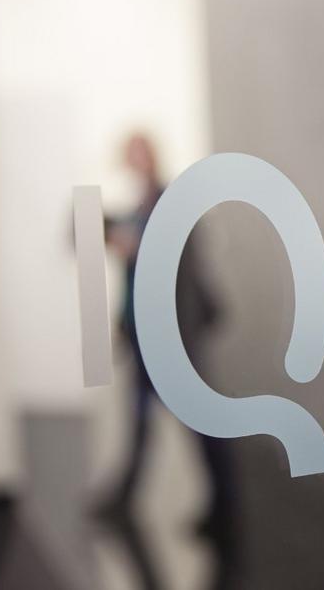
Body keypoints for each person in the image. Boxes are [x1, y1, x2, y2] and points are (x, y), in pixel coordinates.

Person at [93, 134, 241, 585]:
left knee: (201, 426)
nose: (134, 162)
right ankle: (128, 498)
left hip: (174, 338)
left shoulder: (169, 202)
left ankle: (225, 510)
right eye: (130, 155)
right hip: (151, 337)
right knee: (144, 422)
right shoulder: (142, 206)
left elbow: (183, 270)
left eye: (138, 154)